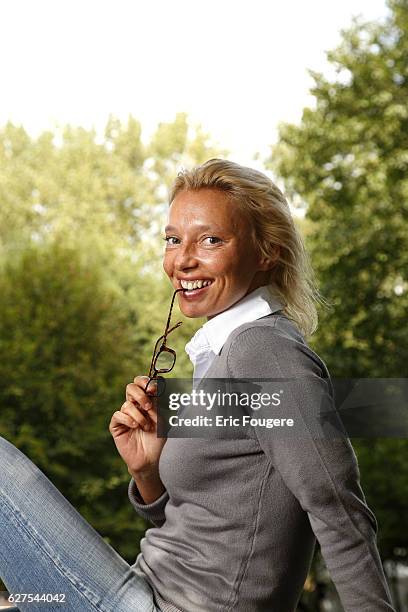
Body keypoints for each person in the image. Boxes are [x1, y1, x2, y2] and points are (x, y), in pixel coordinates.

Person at [0, 158, 395, 612]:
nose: (182, 259)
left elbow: (338, 509)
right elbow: (203, 524)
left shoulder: (265, 353)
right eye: (173, 240)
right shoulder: (227, 355)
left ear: (267, 251)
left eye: (210, 240)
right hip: (144, 586)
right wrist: (148, 472)